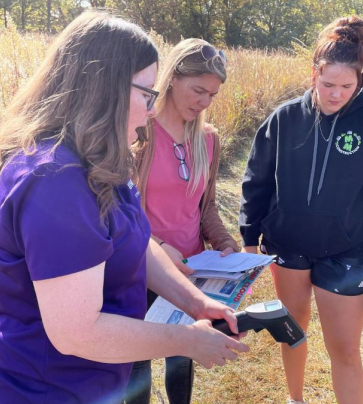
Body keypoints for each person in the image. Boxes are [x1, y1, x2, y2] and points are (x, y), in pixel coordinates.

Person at [0, 12, 248, 404]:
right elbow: (77, 332)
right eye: (147, 93)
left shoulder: (98, 159)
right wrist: (186, 340)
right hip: (42, 391)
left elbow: (136, 240)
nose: (152, 109)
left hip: (91, 385)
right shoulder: (55, 181)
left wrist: (195, 302)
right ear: (106, 86)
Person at [238, 16, 363, 404]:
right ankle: (296, 400)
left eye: (347, 86)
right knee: (292, 331)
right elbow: (256, 179)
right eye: (328, 84)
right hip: (286, 247)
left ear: (360, 80)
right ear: (314, 74)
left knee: (344, 349)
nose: (336, 94)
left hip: (344, 252)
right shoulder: (284, 118)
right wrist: (248, 238)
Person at [125, 38, 238, 404]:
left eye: (212, 96)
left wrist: (223, 244)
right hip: (141, 269)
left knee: (181, 357)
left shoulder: (208, 139)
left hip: (191, 270)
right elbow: (123, 211)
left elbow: (204, 209)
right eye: (197, 90)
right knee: (136, 363)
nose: (204, 102)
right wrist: (158, 246)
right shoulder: (139, 133)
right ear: (172, 79)